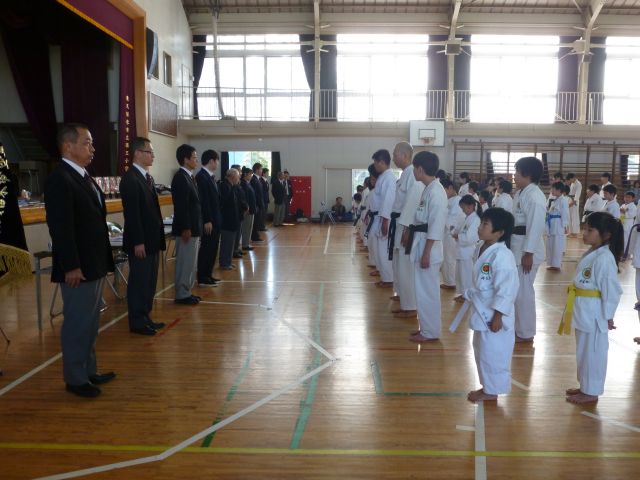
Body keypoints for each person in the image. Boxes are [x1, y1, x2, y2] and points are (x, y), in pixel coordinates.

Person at [44, 123, 115, 398]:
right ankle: (75, 378)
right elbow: (61, 228)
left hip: (93, 262)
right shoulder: (60, 179)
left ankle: (89, 370)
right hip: (78, 267)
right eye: (87, 143)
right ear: (68, 146)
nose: (92, 148)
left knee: (90, 322)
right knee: (77, 323)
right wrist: (71, 265)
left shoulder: (84, 176)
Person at [559, 212, 623, 405]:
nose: (585, 233)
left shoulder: (604, 258)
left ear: (606, 234)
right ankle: (585, 386)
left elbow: (612, 291)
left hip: (595, 314)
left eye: (590, 230)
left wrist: (608, 315)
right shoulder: (593, 254)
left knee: (593, 352)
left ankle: (591, 391)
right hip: (584, 311)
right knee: (584, 351)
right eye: (585, 229)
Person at [462, 207, 519, 403]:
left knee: (494, 352)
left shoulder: (503, 256)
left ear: (499, 232)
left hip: (495, 314)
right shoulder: (482, 247)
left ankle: (492, 390)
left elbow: (507, 289)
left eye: (485, 224)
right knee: (481, 349)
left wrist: (498, 316)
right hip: (482, 308)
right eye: (481, 223)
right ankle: (487, 386)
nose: (480, 227)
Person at [119, 136, 166, 336]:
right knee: (139, 281)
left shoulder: (147, 177)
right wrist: (138, 241)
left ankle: (146, 317)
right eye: (149, 152)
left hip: (152, 239)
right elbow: (133, 214)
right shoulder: (130, 179)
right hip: (141, 242)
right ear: (137, 153)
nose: (153, 156)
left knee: (149, 281)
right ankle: (137, 321)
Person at [404, 151, 447, 342]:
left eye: (414, 168)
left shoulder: (436, 192)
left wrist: (426, 253)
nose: (413, 171)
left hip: (429, 248)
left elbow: (435, 226)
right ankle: (426, 327)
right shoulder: (428, 188)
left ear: (420, 169)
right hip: (421, 242)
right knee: (422, 291)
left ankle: (431, 332)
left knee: (428, 292)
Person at [511, 156, 546, 343]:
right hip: (518, 246)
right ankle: (518, 328)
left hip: (527, 252)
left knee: (524, 292)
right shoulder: (521, 193)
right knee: (517, 291)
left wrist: (528, 254)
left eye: (517, 172)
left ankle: (525, 332)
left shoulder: (535, 197)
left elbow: (535, 226)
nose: (514, 175)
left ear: (528, 174)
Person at [171, 144, 202, 305]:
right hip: (187, 229)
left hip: (194, 227)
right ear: (185, 159)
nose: (196, 160)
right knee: (185, 262)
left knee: (191, 263)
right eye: (194, 157)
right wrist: (186, 227)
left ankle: (187, 291)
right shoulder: (180, 178)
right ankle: (182, 294)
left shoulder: (189, 177)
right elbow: (181, 206)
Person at [389, 141, 417, 315]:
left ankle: (410, 307)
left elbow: (411, 205)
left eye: (395, 154)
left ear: (405, 155)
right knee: (399, 264)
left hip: (406, 225)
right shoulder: (405, 174)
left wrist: (407, 229)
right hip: (400, 222)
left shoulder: (412, 174)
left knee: (405, 267)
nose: (393, 157)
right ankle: (403, 298)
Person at [370, 149, 397, 288]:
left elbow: (388, 200)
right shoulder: (384, 177)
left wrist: (385, 220)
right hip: (380, 217)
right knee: (379, 249)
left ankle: (388, 279)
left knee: (383, 249)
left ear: (381, 162)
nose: (375, 166)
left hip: (385, 218)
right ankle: (385, 276)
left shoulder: (389, 178)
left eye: (375, 163)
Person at [196, 149, 222, 287]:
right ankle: (202, 277)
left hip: (215, 219)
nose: (218, 163)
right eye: (217, 161)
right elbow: (204, 201)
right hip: (209, 220)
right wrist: (207, 220)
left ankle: (208, 274)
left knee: (213, 249)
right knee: (207, 248)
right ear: (211, 161)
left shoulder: (210, 177)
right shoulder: (202, 177)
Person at [453, 195, 482, 302]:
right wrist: (456, 233)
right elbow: (463, 232)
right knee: (461, 274)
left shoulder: (475, 219)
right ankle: (463, 294)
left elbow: (470, 238)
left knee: (466, 275)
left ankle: (467, 296)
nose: (463, 210)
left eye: (463, 208)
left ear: (470, 206)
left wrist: (458, 236)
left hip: (468, 252)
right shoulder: (468, 218)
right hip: (462, 251)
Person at [440, 178, 463, 290]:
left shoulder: (457, 201)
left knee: (449, 258)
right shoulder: (450, 200)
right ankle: (448, 281)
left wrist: (442, 216)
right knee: (446, 258)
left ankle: (451, 282)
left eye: (443, 189)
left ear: (450, 188)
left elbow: (452, 220)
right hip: (446, 233)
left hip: (452, 234)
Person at [219, 168, 241, 270]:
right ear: (232, 176)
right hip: (227, 221)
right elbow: (224, 204)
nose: (239, 178)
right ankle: (224, 263)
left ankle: (228, 261)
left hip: (232, 220)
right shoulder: (225, 186)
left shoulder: (231, 186)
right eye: (237, 176)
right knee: (226, 243)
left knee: (231, 243)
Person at [545, 181, 570, 271]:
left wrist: (565, 226)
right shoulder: (555, 199)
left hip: (558, 225)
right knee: (551, 245)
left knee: (557, 246)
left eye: (553, 189)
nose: (551, 191)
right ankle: (552, 264)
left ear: (559, 190)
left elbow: (565, 214)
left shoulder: (563, 200)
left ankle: (557, 265)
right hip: (552, 224)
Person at [240, 167, 258, 250]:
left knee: (249, 227)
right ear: (245, 174)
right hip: (247, 210)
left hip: (251, 209)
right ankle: (245, 244)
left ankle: (247, 243)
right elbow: (245, 198)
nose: (251, 176)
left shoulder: (248, 183)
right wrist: (246, 208)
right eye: (250, 174)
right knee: (246, 228)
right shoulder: (243, 184)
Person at [250, 163, 264, 242]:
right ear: (257, 170)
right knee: (255, 221)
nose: (262, 171)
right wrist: (257, 204)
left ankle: (256, 235)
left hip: (259, 204)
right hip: (257, 204)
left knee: (257, 220)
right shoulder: (254, 179)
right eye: (261, 169)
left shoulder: (257, 179)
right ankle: (254, 236)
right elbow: (254, 194)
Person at [620, 191, 637, 256]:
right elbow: (620, 214)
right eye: (625, 197)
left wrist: (624, 212)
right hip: (622, 222)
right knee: (621, 238)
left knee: (626, 238)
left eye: (629, 197)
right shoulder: (623, 205)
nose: (626, 198)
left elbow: (632, 215)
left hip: (628, 223)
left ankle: (625, 252)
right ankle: (621, 251)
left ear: (633, 199)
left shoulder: (633, 206)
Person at [566, 173, 582, 237]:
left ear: (573, 177)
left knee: (574, 217)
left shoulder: (578, 184)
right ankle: (570, 232)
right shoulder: (573, 183)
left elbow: (577, 195)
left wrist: (572, 203)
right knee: (569, 216)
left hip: (574, 202)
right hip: (570, 199)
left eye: (570, 179)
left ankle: (575, 233)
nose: (570, 181)